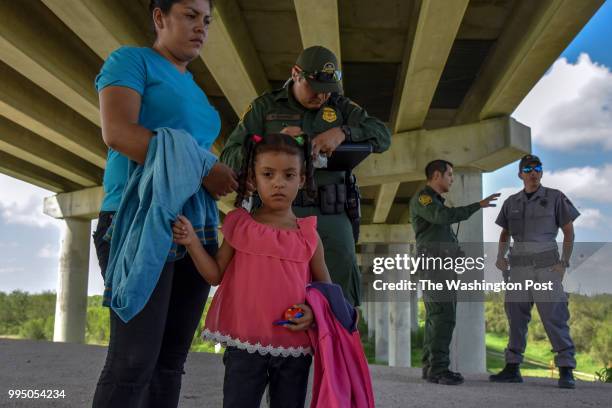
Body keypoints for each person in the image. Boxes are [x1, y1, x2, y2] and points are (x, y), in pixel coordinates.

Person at [91, 1, 237, 406]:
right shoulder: (132, 61)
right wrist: (205, 168)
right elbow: (119, 132)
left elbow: (190, 155)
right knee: (133, 359)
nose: (200, 28)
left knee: (171, 362)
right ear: (160, 18)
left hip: (194, 229)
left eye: (206, 21)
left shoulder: (200, 97)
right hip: (136, 219)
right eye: (190, 16)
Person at [220, 45, 391, 306]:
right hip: (275, 215)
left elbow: (382, 136)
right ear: (296, 74)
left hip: (331, 213)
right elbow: (229, 154)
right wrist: (271, 145)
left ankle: (334, 345)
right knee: (272, 295)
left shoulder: (341, 106)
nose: (322, 96)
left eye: (328, 90)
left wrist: (343, 132)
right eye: (314, 87)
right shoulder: (265, 106)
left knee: (338, 296)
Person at [172, 133, 332, 407]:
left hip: (294, 347)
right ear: (253, 179)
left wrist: (313, 314)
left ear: (302, 180)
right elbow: (215, 275)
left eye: (289, 175)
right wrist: (192, 243)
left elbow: (325, 291)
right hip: (244, 343)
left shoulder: (308, 235)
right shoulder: (239, 224)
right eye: (268, 174)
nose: (278, 182)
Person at [490, 154, 579, 389]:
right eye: (528, 169)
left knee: (554, 316)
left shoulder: (555, 198)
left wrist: (563, 263)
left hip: (545, 267)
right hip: (518, 267)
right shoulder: (512, 202)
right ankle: (512, 367)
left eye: (537, 168)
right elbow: (504, 234)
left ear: (541, 172)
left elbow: (569, 232)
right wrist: (500, 258)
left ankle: (566, 369)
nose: (533, 172)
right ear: (520, 174)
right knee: (516, 317)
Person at [410, 160, 499, 385]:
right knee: (443, 317)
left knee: (436, 317)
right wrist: (477, 205)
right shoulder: (425, 198)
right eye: (450, 174)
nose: (452, 179)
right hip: (435, 267)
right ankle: (439, 369)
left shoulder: (435, 202)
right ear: (437, 175)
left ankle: (431, 367)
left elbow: (439, 230)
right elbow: (443, 218)